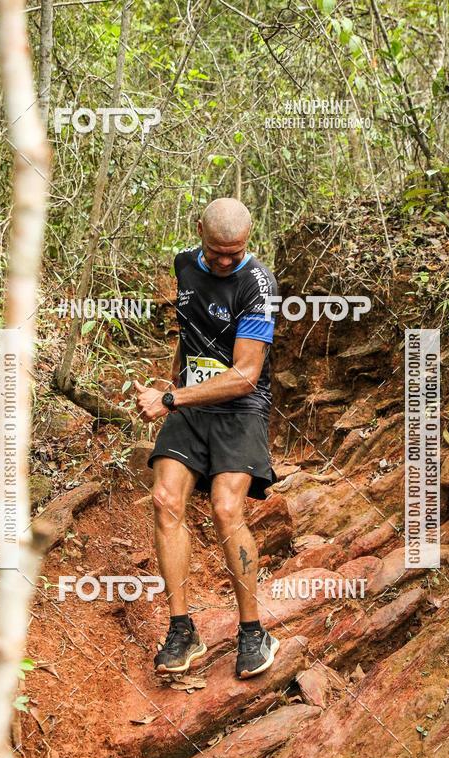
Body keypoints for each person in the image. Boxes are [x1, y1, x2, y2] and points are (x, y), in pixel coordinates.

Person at [134, 197, 279, 679]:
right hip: (191, 405)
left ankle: (253, 631)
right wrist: (171, 386)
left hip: (239, 408)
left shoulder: (258, 285)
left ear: (248, 242)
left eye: (234, 253)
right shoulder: (182, 265)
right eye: (217, 251)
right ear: (199, 231)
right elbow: (187, 332)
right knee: (164, 499)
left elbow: (245, 376)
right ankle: (182, 629)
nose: (224, 261)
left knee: (225, 507)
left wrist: (171, 398)